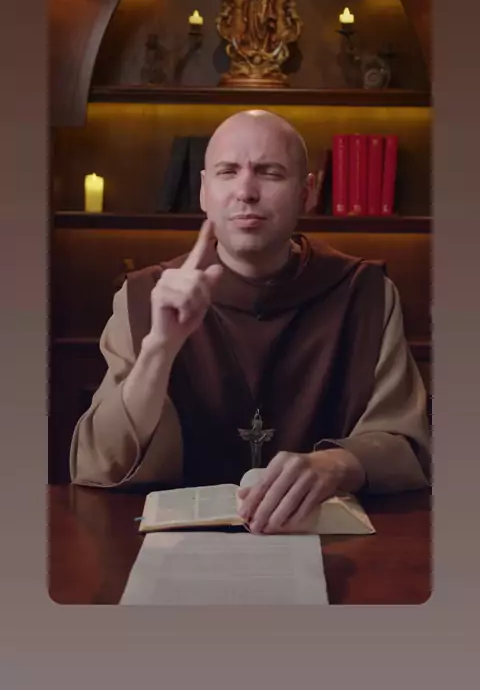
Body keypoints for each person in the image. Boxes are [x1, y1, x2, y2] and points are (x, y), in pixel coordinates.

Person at [70, 109, 430, 535]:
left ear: (307, 192)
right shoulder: (145, 296)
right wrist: (159, 349)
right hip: (177, 546)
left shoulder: (365, 293)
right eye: (227, 172)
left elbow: (409, 446)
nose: (245, 192)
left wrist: (337, 465)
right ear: (204, 191)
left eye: (269, 172)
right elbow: (97, 465)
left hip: (328, 544)